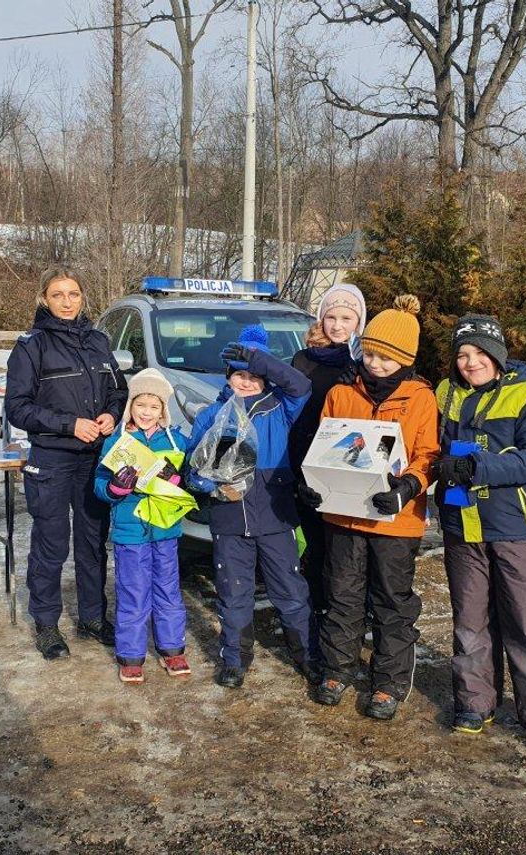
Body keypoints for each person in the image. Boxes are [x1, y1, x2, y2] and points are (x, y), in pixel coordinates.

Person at [433, 314, 526, 760]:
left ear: (497, 355)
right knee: (470, 619)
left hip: (516, 527)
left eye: (478, 354)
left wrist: (478, 467)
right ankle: (476, 703)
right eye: (462, 354)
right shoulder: (444, 394)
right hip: (462, 526)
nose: (470, 363)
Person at [300, 295, 438, 721]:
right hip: (343, 515)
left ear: (406, 359)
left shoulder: (419, 398)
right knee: (341, 594)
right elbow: (324, 447)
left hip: (395, 522)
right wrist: (314, 484)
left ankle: (388, 680)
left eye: (386, 358)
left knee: (391, 601)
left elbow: (429, 454)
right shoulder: (342, 392)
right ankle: (337, 668)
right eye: (371, 354)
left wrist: (408, 487)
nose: (376, 364)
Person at [5, 267, 129, 660]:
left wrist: (112, 413)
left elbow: (118, 390)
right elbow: (17, 409)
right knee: (51, 545)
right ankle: (46, 624)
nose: (66, 301)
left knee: (92, 543)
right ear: (44, 299)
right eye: (57, 294)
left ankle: (92, 617)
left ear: (82, 297)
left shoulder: (98, 341)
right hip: (53, 459)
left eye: (73, 294)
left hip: (95, 459)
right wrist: (68, 425)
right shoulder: (31, 346)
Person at [187, 324, 315, 689]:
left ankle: (306, 654)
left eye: (254, 376)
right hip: (229, 519)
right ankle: (234, 659)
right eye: (239, 375)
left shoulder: (281, 408)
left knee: (289, 590)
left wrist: (259, 359)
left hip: (274, 513)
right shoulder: (211, 416)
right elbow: (191, 467)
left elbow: (300, 385)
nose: (245, 382)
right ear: (228, 377)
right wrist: (210, 485)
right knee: (233, 591)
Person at [94, 368, 191, 684]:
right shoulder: (117, 441)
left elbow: (191, 475)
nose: (147, 413)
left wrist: (178, 480)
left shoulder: (176, 440)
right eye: (141, 405)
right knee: (133, 590)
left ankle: (172, 648)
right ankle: (131, 655)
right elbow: (99, 481)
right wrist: (115, 489)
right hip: (130, 528)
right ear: (130, 406)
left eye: (154, 406)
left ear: (163, 409)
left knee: (168, 588)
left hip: (165, 529)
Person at [289, 283, 365, 615]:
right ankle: (317, 614)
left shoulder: (367, 360)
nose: (337, 325)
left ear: (359, 322)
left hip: (351, 464)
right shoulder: (304, 359)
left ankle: (348, 616)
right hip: (308, 463)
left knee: (347, 551)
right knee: (316, 546)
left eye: (346, 317)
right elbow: (292, 411)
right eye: (331, 317)